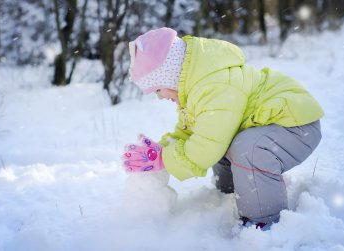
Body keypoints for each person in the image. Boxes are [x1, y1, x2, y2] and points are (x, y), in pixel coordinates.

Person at [122, 27, 324, 229]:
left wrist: (164, 159)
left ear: (170, 75)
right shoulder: (195, 89)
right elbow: (191, 133)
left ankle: (263, 223)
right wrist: (161, 150)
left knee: (247, 147)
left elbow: (206, 149)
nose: (159, 96)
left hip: (296, 126)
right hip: (276, 127)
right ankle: (231, 193)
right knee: (225, 139)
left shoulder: (215, 85)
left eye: (158, 89)